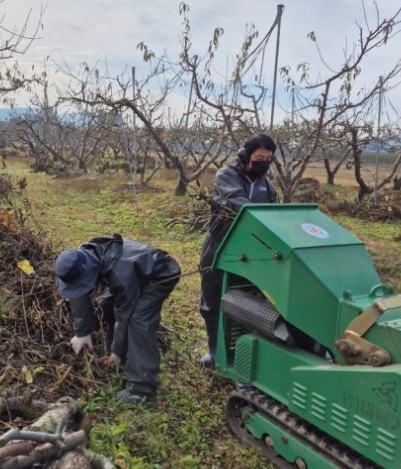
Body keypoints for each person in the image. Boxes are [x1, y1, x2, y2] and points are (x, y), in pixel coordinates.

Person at [55, 234, 181, 404]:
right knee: (106, 303)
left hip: (159, 275)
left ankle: (141, 387)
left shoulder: (120, 275)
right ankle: (127, 354)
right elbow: (80, 294)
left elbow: (124, 315)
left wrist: (117, 351)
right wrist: (82, 332)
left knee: (138, 320)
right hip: (132, 276)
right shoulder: (80, 257)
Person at [199, 133, 278, 368]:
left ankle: (244, 349)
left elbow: (274, 214)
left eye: (269, 158)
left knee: (249, 296)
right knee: (212, 297)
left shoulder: (268, 187)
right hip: (221, 245)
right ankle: (214, 351)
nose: (264, 162)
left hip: (252, 250)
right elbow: (238, 203)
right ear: (245, 156)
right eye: (259, 157)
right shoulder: (226, 176)